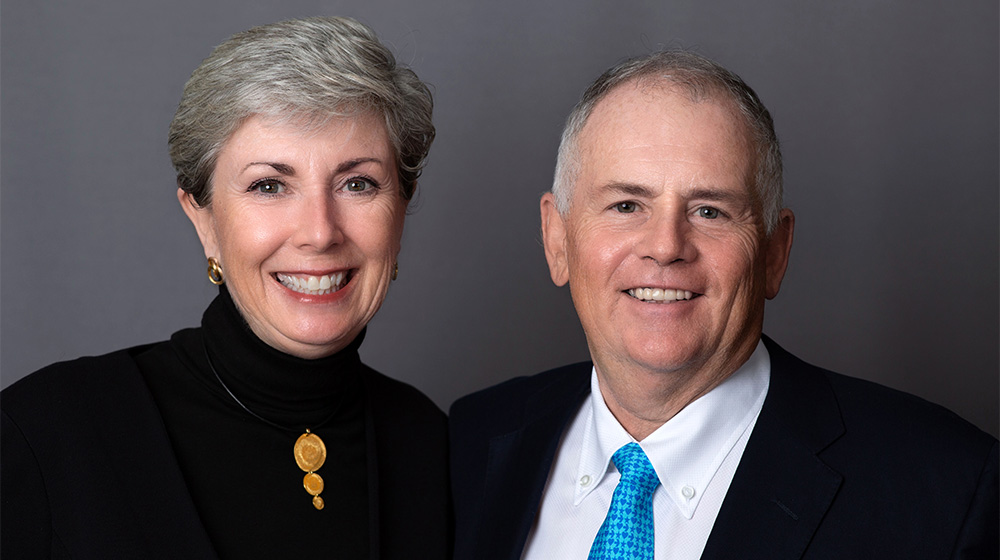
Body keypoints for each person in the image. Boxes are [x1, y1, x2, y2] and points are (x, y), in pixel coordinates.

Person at [449, 51, 998, 559]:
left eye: (710, 211)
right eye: (625, 205)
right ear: (557, 240)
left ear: (774, 253)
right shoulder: (466, 444)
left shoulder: (947, 489)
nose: (665, 246)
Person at [2, 17, 449, 559]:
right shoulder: (45, 434)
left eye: (358, 183)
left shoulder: (435, 447)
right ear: (204, 220)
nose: (319, 232)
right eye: (269, 185)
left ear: (400, 210)